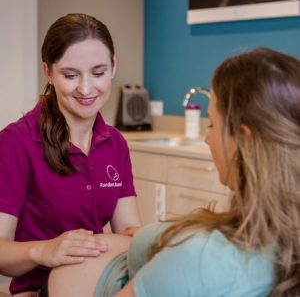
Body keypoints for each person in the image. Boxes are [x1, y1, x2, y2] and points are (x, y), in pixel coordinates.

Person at [48, 47, 300, 297]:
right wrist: (162, 238)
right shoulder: (275, 233)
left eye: (212, 123)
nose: (206, 137)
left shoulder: (201, 259)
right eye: (71, 75)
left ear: (243, 141)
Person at [0, 13, 141, 296]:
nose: (86, 88)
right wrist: (45, 251)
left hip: (99, 283)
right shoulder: (16, 143)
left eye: (98, 73)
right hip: (41, 289)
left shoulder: (114, 143)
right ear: (48, 72)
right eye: (70, 75)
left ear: (113, 66)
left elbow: (128, 230)